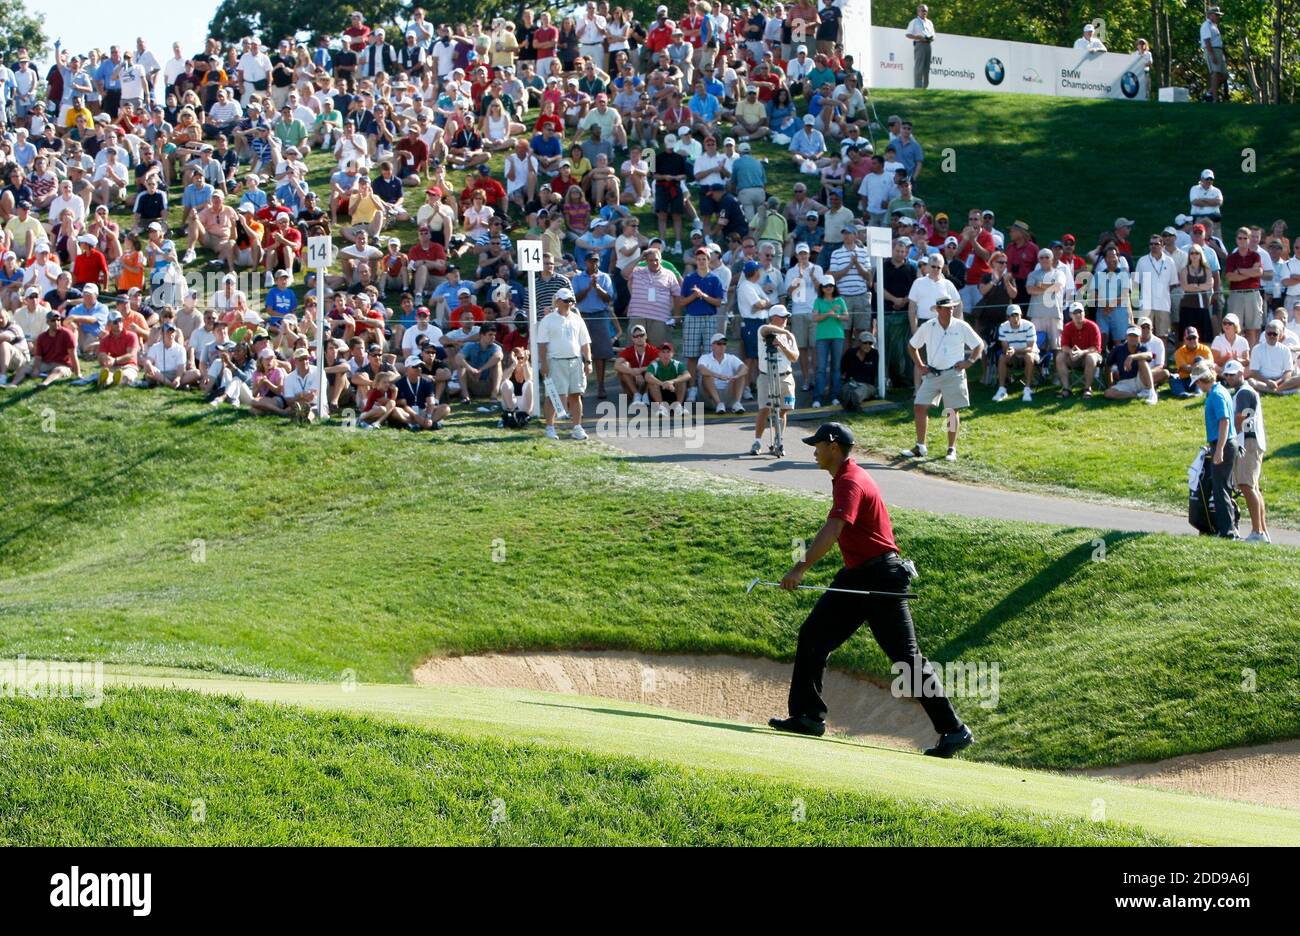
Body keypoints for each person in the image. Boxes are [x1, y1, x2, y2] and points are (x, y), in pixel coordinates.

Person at [767, 421, 972, 758]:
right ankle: (807, 716)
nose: (813, 450)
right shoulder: (845, 478)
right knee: (814, 635)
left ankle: (954, 730)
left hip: (880, 578)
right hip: (858, 576)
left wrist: (799, 568)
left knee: (905, 659)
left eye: (817, 445)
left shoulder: (850, 481)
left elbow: (833, 529)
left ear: (833, 447)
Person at [902, 297, 983, 462]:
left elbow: (978, 344)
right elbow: (912, 346)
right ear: (938, 310)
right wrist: (919, 365)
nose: (950, 310)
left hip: (954, 373)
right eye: (946, 308)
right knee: (919, 406)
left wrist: (970, 361)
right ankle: (920, 446)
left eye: (952, 307)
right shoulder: (928, 326)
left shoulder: (961, 325)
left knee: (952, 411)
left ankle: (951, 449)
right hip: (932, 374)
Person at [1220, 359, 1269, 544]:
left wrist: (1229, 438)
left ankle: (1258, 532)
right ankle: (1262, 531)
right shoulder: (1243, 391)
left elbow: (1240, 419)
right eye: (1227, 374)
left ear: (1242, 373)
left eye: (1233, 374)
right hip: (1250, 442)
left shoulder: (1243, 392)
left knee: (1247, 485)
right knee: (1252, 487)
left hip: (1248, 443)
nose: (1230, 378)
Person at [536, 287, 592, 440]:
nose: (569, 303)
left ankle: (577, 427)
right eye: (566, 301)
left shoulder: (577, 319)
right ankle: (550, 427)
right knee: (553, 396)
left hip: (575, 361)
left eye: (571, 301)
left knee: (576, 395)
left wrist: (588, 361)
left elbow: (585, 343)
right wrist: (544, 363)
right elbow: (542, 344)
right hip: (555, 361)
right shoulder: (547, 320)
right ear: (558, 301)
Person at [1194, 362, 1238, 539]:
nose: (1197, 385)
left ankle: (1227, 531)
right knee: (1222, 487)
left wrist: (1219, 449)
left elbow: (1224, 421)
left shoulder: (1217, 395)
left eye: (1197, 382)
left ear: (1202, 380)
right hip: (1224, 443)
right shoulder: (1219, 391)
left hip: (1224, 444)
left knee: (1221, 489)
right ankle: (1227, 529)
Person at [750, 305, 798, 456]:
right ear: (774, 318)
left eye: (786, 317)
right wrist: (785, 332)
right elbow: (766, 329)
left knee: (784, 409)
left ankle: (779, 439)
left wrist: (783, 345)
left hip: (786, 376)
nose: (786, 319)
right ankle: (757, 441)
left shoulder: (789, 336)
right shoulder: (763, 330)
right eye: (783, 317)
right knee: (764, 408)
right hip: (766, 376)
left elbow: (794, 357)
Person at [1056, 301, 1104, 398]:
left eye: (1080, 312)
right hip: (1074, 357)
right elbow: (1064, 346)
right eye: (1075, 313)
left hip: (1090, 356)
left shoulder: (1093, 326)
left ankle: (1087, 389)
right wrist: (1071, 352)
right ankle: (1066, 389)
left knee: (1091, 357)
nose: (1078, 315)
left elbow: (1096, 348)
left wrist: (1082, 352)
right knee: (1060, 357)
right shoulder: (1067, 327)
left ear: (1084, 313)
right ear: (1070, 315)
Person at [1102, 325, 1159, 405]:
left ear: (1140, 337)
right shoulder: (1118, 349)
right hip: (1125, 383)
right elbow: (1108, 365)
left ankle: (1151, 392)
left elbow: (1149, 355)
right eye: (1130, 335)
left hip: (1141, 380)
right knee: (1108, 393)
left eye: (1135, 336)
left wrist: (1131, 357)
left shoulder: (1142, 348)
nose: (1133, 338)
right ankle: (1138, 395)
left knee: (1142, 361)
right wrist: (1110, 384)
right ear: (1126, 336)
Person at [992, 304, 1037, 402]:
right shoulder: (1003, 327)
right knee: (1002, 358)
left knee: (1029, 356)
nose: (1015, 318)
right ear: (1008, 317)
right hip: (1013, 357)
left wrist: (1015, 350)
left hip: (1029, 355)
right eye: (1012, 315)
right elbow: (1005, 348)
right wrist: (1009, 352)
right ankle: (1002, 389)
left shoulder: (1029, 326)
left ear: (1021, 315)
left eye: (1017, 315)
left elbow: (1030, 348)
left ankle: (1027, 389)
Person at [696, 333, 748, 413]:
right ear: (712, 346)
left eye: (724, 344)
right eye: (719, 344)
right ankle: (718, 403)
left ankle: (737, 403)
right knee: (707, 376)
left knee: (741, 375)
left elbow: (745, 368)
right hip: (710, 397)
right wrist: (718, 376)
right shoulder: (705, 357)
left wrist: (737, 376)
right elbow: (701, 369)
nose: (722, 346)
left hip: (728, 393)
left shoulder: (731, 358)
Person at [839, 330, 879, 410]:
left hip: (867, 385)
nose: (868, 345)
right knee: (846, 388)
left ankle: (852, 401)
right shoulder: (850, 353)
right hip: (851, 383)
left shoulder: (875, 354)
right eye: (865, 342)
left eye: (870, 343)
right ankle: (851, 401)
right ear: (859, 342)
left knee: (862, 390)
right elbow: (842, 369)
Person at [904, 5, 934, 89]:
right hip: (919, 44)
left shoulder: (929, 22)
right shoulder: (914, 22)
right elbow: (908, 34)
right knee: (919, 67)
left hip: (928, 45)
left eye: (926, 11)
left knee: (927, 67)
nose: (924, 12)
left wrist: (931, 38)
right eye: (922, 11)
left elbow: (934, 35)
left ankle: (925, 88)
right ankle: (918, 87)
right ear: (918, 12)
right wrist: (918, 37)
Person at [1201, 6, 1226, 102]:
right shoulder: (1206, 25)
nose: (1218, 17)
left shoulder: (1214, 26)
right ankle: (1214, 99)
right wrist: (1212, 55)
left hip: (1218, 50)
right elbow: (1207, 41)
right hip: (1212, 50)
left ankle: (1209, 93)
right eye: (1216, 15)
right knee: (1215, 74)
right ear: (1210, 15)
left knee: (1224, 75)